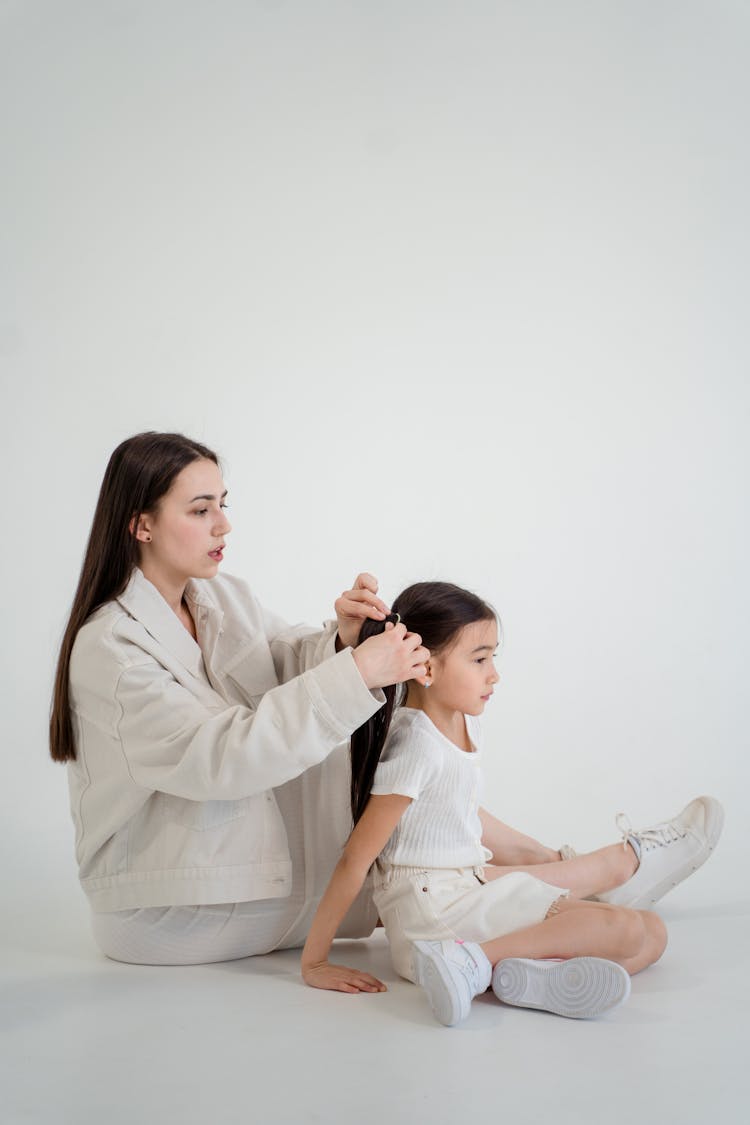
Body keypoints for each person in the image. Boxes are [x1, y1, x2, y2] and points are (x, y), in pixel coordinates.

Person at [49, 431, 430, 964]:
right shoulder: (110, 648)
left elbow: (281, 662)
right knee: (418, 882)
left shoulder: (221, 596)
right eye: (201, 509)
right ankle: (555, 887)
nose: (223, 524)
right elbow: (222, 757)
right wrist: (357, 671)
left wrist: (343, 640)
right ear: (142, 525)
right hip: (168, 908)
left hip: (229, 877)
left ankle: (557, 872)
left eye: (222, 505)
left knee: (421, 869)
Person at [300, 581, 723, 1026]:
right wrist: (315, 962)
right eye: (480, 659)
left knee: (652, 934)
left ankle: (516, 973)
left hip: (469, 890)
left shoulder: (465, 725)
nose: (494, 674)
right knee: (625, 929)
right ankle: (468, 964)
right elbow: (355, 860)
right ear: (424, 667)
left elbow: (457, 817)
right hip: (433, 919)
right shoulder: (416, 748)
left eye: (493, 657)